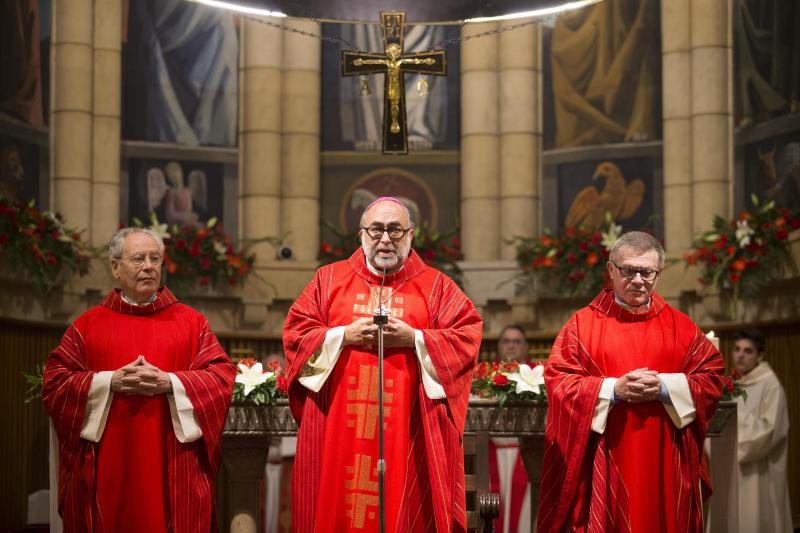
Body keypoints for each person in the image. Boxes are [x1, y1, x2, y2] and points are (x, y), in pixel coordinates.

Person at [283, 196, 483, 532]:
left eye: (395, 230)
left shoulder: (436, 288)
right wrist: (343, 336)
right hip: (339, 429)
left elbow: (466, 338)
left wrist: (416, 339)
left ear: (411, 235)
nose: (385, 239)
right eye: (376, 230)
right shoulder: (329, 280)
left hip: (408, 430)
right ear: (361, 234)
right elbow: (295, 334)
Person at [42, 227, 236, 532]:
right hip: (110, 463)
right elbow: (55, 383)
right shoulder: (87, 326)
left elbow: (221, 378)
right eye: (138, 258)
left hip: (172, 462)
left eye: (155, 259)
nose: (149, 266)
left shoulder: (191, 323)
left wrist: (170, 383)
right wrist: (109, 382)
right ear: (115, 267)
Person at [538, 231, 725, 533]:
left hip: (665, 460)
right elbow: (559, 381)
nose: (638, 280)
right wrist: (613, 389)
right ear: (611, 270)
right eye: (629, 270)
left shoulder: (682, 327)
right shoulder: (581, 326)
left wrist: (664, 387)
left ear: (658, 274)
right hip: (606, 457)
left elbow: (712, 375)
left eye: (647, 272)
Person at [732, 329, 792, 533]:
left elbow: (770, 430)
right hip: (733, 472)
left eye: (748, 351)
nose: (740, 355)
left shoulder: (770, 384)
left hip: (760, 472)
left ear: (760, 355)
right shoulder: (732, 384)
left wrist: (735, 418)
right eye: (737, 349)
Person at [489, 324, 532, 533]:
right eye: (506, 341)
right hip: (492, 454)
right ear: (498, 346)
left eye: (517, 341)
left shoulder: (537, 377)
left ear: (526, 347)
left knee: (525, 516)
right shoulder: (486, 377)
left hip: (528, 454)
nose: (511, 346)